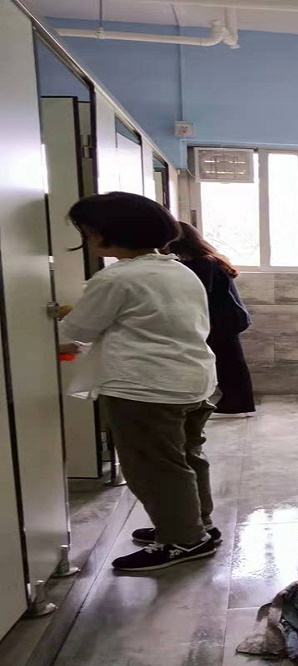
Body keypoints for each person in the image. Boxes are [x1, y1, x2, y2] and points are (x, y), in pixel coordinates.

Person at [58, 192, 220, 573]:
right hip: (191, 380)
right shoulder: (179, 270)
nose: (86, 239)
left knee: (154, 467)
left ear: (106, 234)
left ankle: (183, 539)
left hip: (144, 388)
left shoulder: (115, 278)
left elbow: (78, 330)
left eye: (86, 232)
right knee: (186, 456)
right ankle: (197, 525)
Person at [166, 223, 256, 418]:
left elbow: (200, 293)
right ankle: (238, 403)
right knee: (230, 360)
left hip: (222, 320)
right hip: (228, 318)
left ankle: (236, 403)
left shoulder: (202, 263)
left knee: (228, 362)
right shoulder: (208, 259)